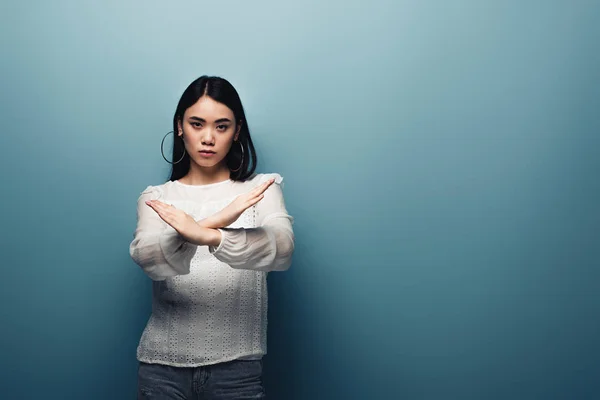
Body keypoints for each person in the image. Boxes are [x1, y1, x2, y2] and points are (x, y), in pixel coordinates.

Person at [129, 75, 295, 399]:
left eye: (221, 126)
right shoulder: (156, 198)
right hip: (161, 373)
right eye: (196, 124)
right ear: (180, 126)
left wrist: (210, 237)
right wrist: (214, 221)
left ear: (237, 132)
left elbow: (282, 249)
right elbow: (149, 258)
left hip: (238, 372)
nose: (208, 138)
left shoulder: (259, 189)